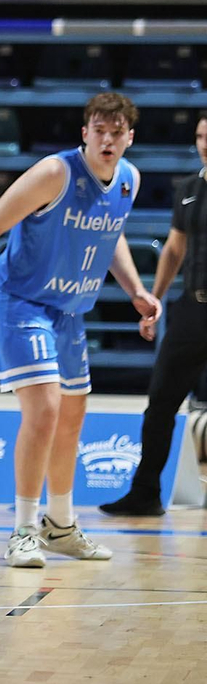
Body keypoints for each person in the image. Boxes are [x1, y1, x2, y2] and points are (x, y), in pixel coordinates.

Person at [0, 91, 160, 566]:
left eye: (116, 133)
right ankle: (23, 529)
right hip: (21, 301)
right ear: (85, 133)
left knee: (71, 418)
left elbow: (112, 235)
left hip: (69, 310)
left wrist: (135, 291)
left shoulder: (128, 180)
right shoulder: (55, 173)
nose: (107, 140)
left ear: (130, 138)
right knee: (44, 409)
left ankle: (60, 526)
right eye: (99, 131)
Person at [102, 114, 207, 517]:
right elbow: (175, 250)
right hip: (192, 309)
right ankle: (145, 492)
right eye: (199, 137)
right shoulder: (189, 190)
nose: (203, 143)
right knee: (161, 402)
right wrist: (154, 301)